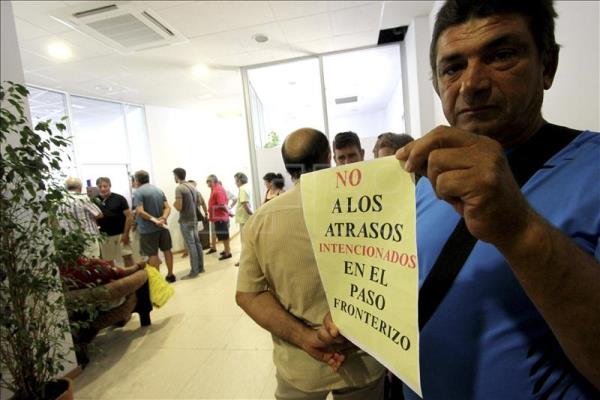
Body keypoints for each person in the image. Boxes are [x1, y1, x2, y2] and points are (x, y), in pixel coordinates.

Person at [321, 1, 600, 398]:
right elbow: (411, 288)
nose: (471, 84)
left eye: (501, 56)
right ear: (437, 85)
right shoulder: (423, 182)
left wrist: (519, 229)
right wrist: (362, 321)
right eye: (452, 68)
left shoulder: (592, 167)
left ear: (547, 66)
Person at [236, 128, 386, 400]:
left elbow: (248, 295)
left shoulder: (261, 220)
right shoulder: (372, 208)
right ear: (329, 157)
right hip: (363, 358)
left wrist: (306, 338)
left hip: (300, 363)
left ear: (287, 167)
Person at [132, 170, 176, 283]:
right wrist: (163, 218)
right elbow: (167, 207)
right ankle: (171, 275)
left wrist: (154, 220)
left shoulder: (138, 193)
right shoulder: (158, 190)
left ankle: (157, 281)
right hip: (163, 227)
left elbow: (140, 211)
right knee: (167, 250)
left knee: (152, 254)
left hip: (148, 230)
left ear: (137, 180)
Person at [95, 177, 134, 267]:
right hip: (105, 236)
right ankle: (115, 278)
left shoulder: (119, 198)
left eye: (105, 186)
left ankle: (132, 277)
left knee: (127, 256)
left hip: (121, 234)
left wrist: (126, 234)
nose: (103, 189)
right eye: (100, 186)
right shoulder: (95, 201)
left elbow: (129, 216)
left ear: (110, 186)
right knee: (108, 260)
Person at [173, 168, 205, 279]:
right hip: (194, 219)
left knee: (191, 244)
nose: (174, 178)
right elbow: (199, 202)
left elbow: (179, 207)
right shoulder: (193, 187)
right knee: (197, 243)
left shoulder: (179, 188)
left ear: (177, 176)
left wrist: (174, 204)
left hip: (186, 220)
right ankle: (201, 268)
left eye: (174, 175)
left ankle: (194, 272)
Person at [62, 177, 103, 258]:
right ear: (80, 188)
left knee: (79, 264)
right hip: (87, 238)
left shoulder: (61, 201)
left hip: (70, 239)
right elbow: (99, 214)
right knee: (92, 263)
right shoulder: (82, 198)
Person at [205, 174, 232, 260]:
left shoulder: (218, 190)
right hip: (218, 217)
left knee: (224, 236)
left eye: (209, 181)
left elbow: (221, 205)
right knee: (223, 236)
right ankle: (226, 250)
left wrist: (229, 212)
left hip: (220, 217)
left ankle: (227, 253)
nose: (207, 183)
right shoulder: (216, 189)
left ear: (213, 181)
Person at [233, 172, 253, 267]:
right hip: (245, 218)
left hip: (244, 219)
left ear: (239, 180)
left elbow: (245, 204)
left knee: (244, 241)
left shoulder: (242, 189)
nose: (235, 183)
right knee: (246, 240)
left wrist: (252, 215)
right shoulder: (246, 187)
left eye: (236, 181)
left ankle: (244, 261)